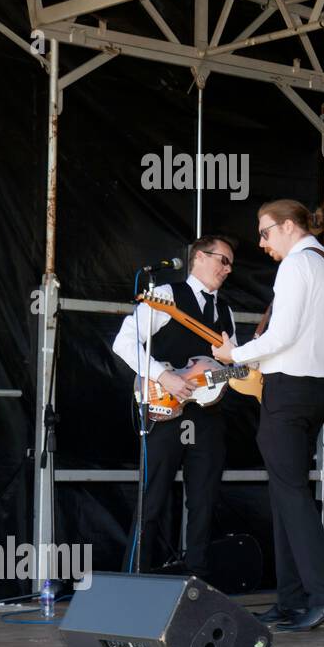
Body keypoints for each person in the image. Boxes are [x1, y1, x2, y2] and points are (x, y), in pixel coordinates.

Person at [213, 200, 324, 631]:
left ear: (289, 226)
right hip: (317, 389)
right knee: (284, 493)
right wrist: (312, 356)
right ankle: (292, 598)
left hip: (290, 390)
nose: (262, 243)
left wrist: (233, 355)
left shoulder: (297, 266)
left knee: (291, 495)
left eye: (265, 232)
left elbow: (282, 333)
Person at [112, 234, 237, 577]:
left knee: (204, 500)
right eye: (221, 260)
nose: (227, 268)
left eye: (230, 263)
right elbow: (124, 342)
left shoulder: (225, 310)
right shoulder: (167, 295)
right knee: (151, 499)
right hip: (166, 411)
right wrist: (162, 376)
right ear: (198, 258)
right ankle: (134, 580)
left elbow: (233, 366)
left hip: (208, 417)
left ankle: (196, 580)